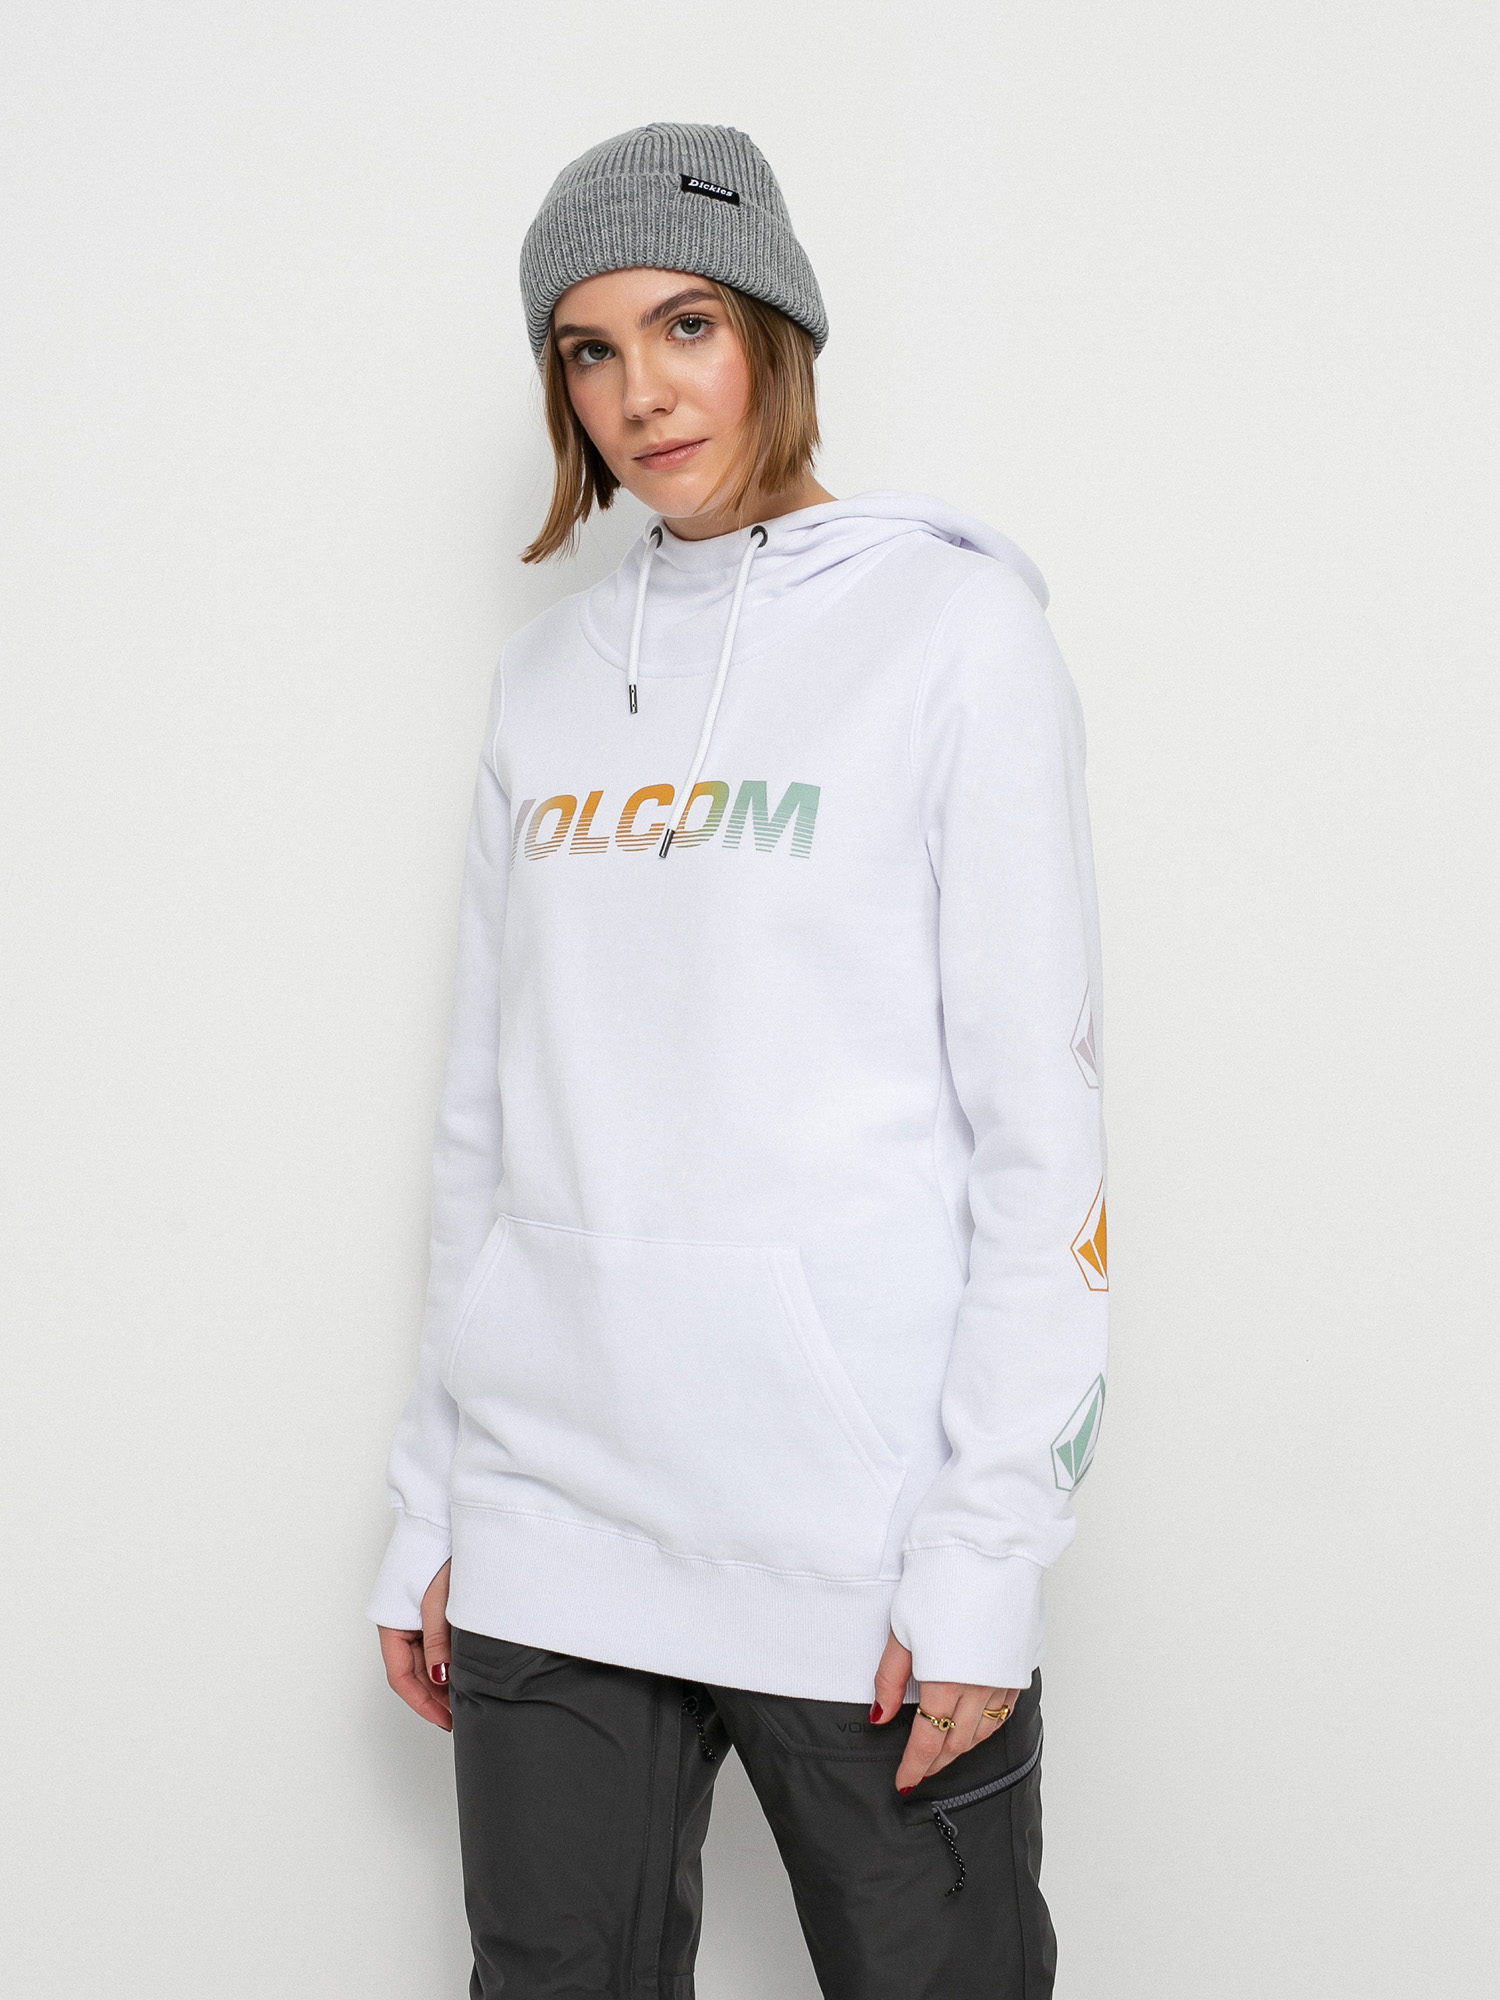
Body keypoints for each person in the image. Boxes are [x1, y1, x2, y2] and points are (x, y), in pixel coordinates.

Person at [369, 122, 1108, 1999]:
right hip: (551, 1524)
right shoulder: (544, 681)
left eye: (684, 326)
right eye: (590, 350)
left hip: (851, 1545)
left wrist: (987, 1552)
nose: (640, 393)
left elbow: (1042, 1138)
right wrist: (435, 1508)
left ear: (776, 329)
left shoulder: (954, 633)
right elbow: (485, 1127)